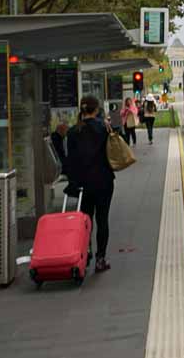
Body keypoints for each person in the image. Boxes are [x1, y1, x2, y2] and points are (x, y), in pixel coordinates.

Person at [66, 95, 115, 272]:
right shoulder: (104, 128)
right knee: (102, 220)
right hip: (103, 182)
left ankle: (86, 253)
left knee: (86, 220)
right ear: (97, 109)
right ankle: (101, 259)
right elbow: (117, 145)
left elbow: (70, 162)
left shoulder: (73, 132)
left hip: (82, 185)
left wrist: (72, 182)